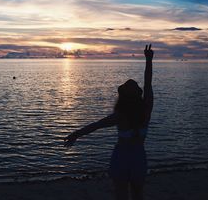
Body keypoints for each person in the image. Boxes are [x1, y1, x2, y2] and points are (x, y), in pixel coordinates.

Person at [64, 44, 154, 200]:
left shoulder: (120, 116)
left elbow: (95, 125)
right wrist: (148, 60)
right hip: (138, 157)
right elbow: (148, 83)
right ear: (138, 95)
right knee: (137, 194)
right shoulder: (146, 111)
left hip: (122, 158)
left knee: (122, 194)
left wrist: (75, 134)